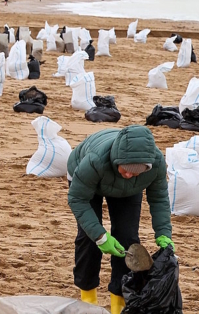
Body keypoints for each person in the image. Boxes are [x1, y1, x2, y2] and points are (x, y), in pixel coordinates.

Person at [68, 125, 174, 314]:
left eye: (135, 171)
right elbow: (77, 198)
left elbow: (159, 198)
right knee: (89, 238)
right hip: (87, 182)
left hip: (129, 190)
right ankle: (88, 299)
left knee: (127, 239)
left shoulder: (156, 164)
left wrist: (163, 232)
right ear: (117, 159)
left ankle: (119, 301)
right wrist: (100, 237)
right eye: (126, 169)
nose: (128, 174)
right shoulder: (95, 160)